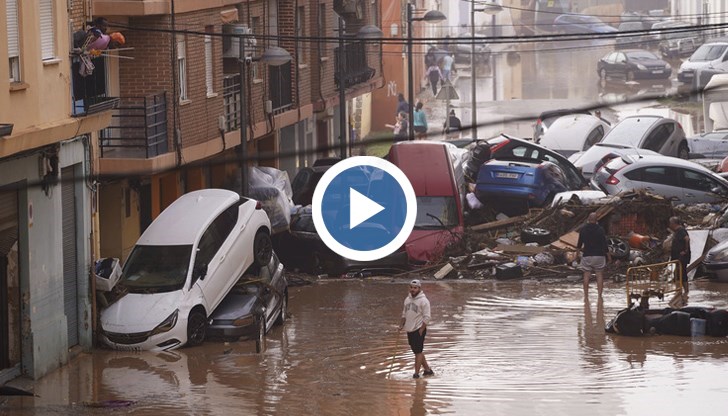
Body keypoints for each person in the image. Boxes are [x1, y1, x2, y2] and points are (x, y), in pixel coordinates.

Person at [399, 279, 433, 379]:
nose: (413, 290)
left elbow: (427, 317)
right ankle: (427, 370)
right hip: (409, 329)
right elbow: (404, 314)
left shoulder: (424, 301)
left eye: (415, 288)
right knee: (417, 351)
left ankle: (416, 374)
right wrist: (401, 325)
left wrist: (422, 329)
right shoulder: (407, 299)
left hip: (419, 329)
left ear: (419, 288)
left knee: (418, 352)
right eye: (411, 287)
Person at [577, 212, 610, 297]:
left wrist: (577, 255)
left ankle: (586, 296)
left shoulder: (583, 229)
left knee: (586, 275)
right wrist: (609, 256)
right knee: (599, 275)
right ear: (596, 220)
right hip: (599, 256)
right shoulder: (600, 229)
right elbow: (604, 244)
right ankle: (599, 296)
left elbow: (579, 244)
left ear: (588, 219)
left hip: (587, 255)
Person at [669, 216, 690, 294]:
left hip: (682, 257)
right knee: (678, 274)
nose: (670, 225)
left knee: (682, 274)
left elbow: (687, 239)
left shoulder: (681, 230)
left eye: (670, 223)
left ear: (674, 223)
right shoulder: (677, 231)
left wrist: (685, 250)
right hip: (678, 257)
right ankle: (679, 291)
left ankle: (685, 292)